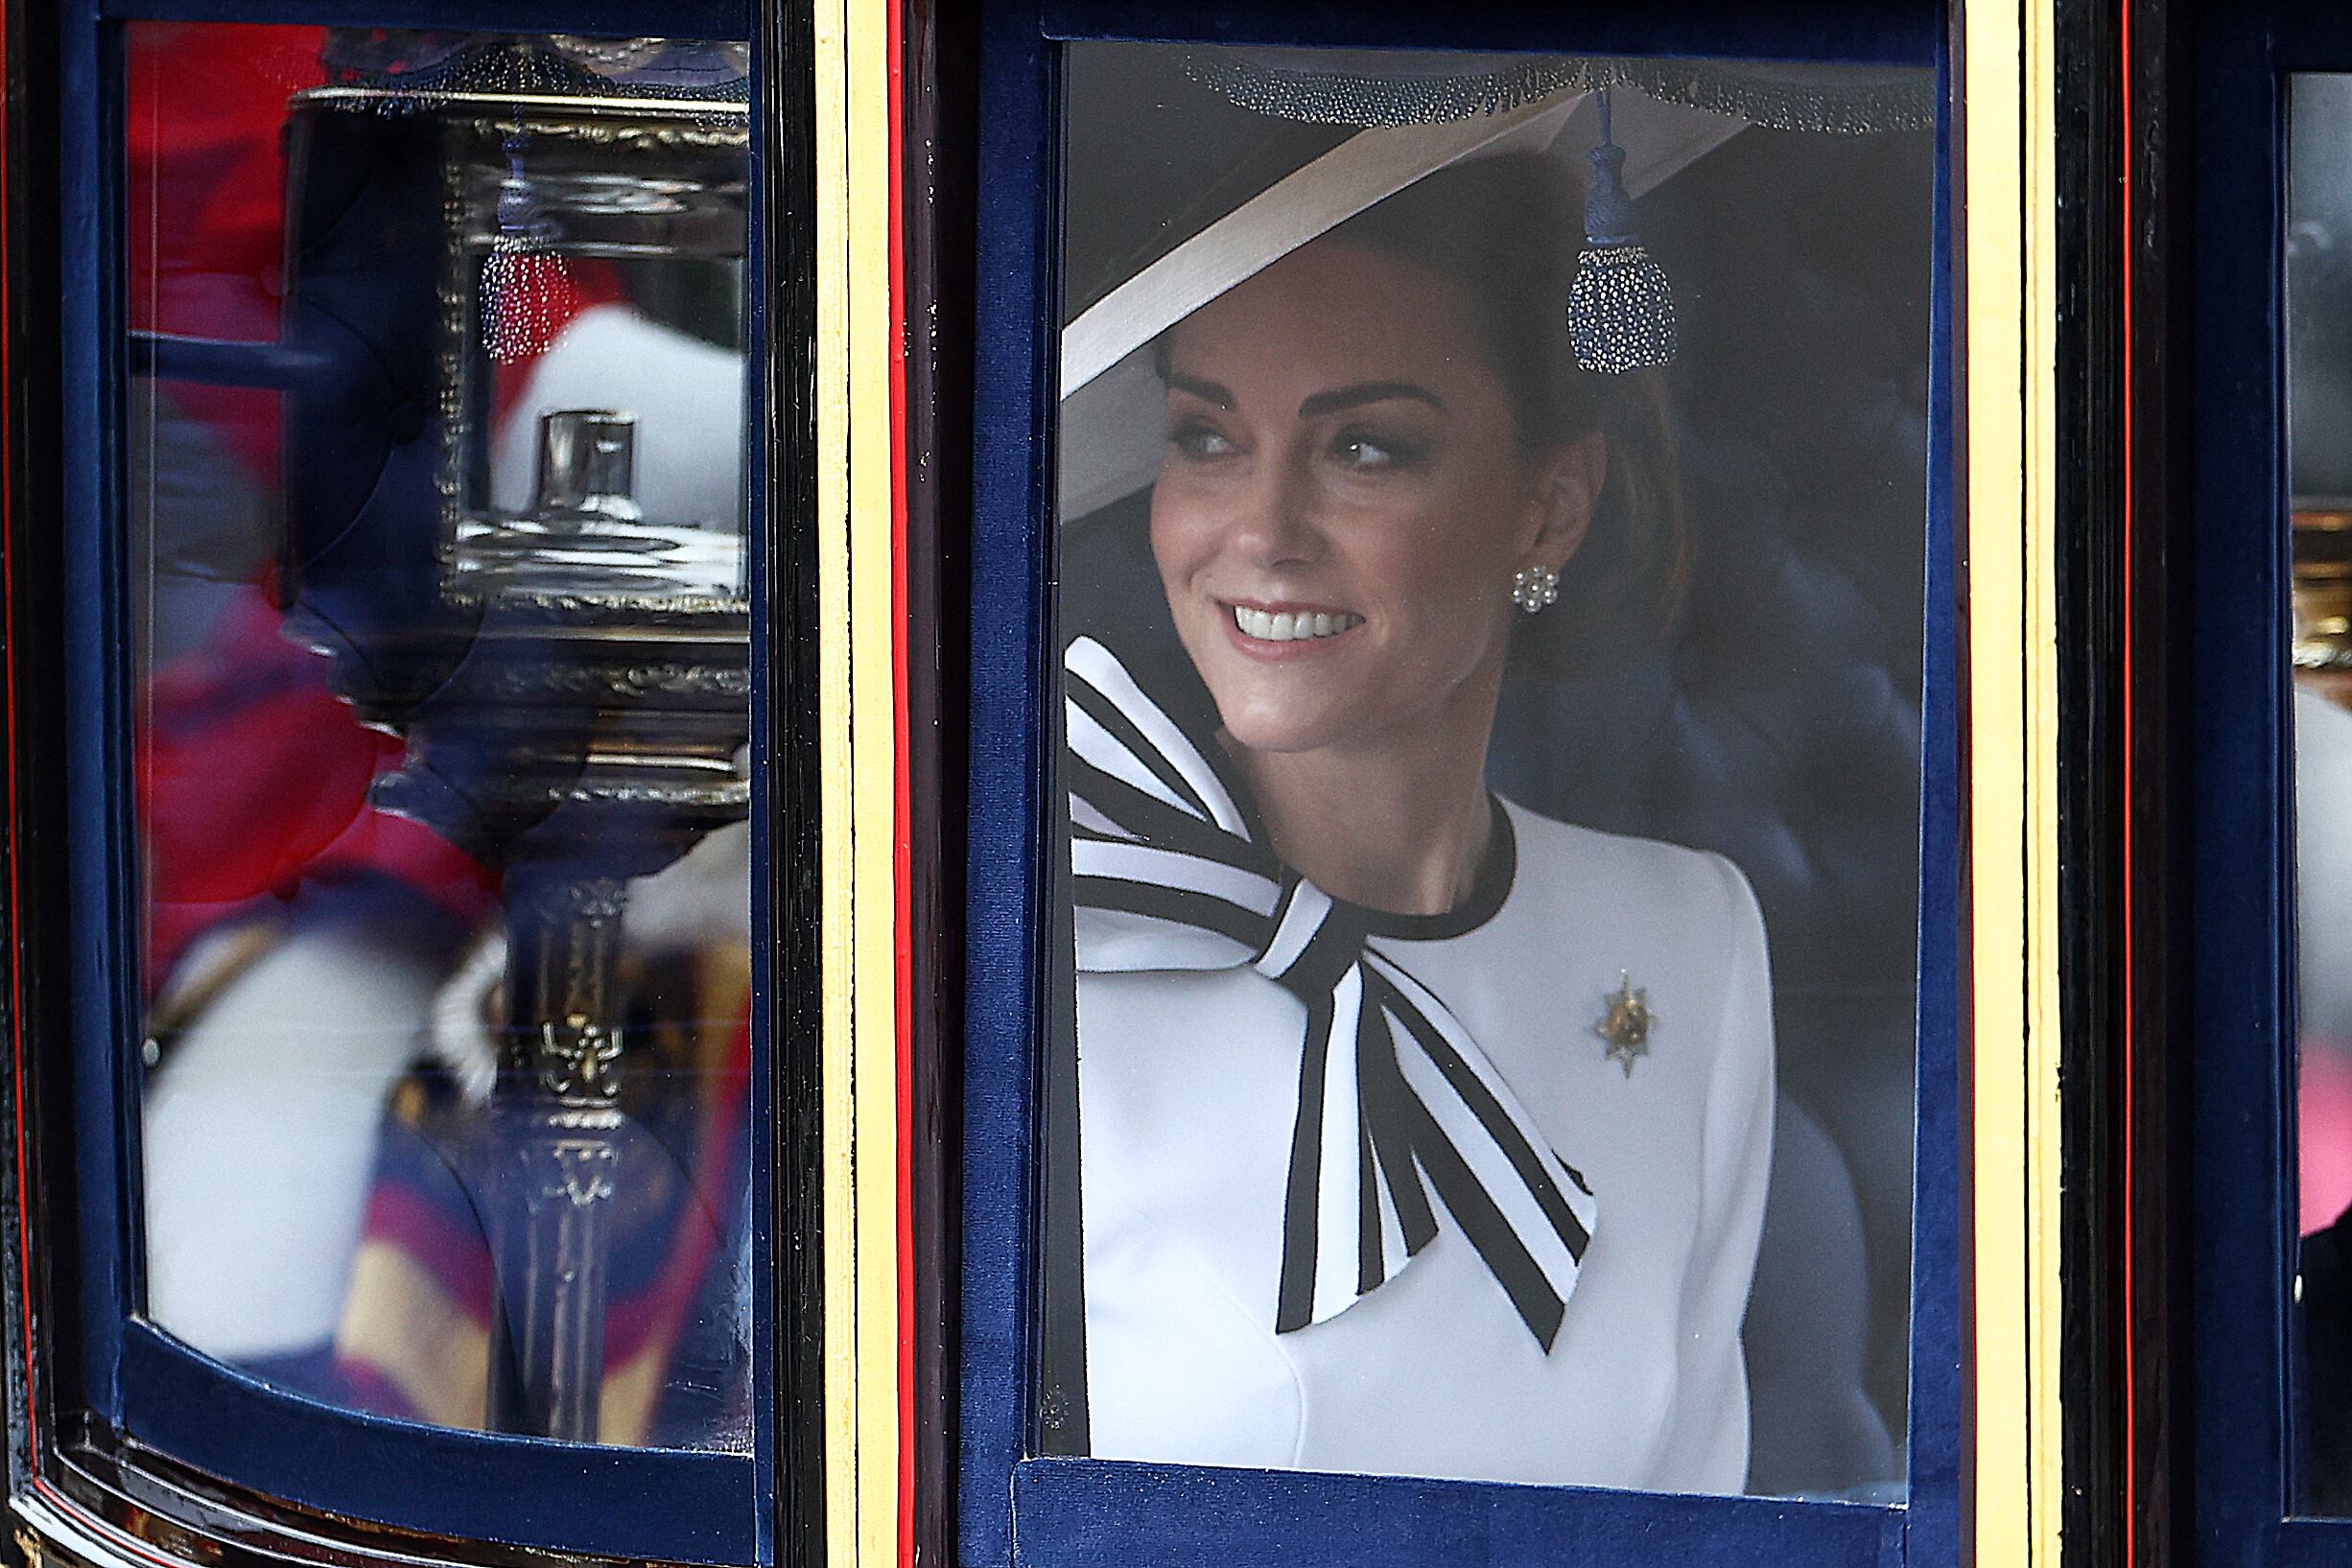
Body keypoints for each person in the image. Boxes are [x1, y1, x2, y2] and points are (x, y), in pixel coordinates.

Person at [1061, 149, 1776, 1494]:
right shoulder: (1053, 942)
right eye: (1209, 438)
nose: (1262, 532)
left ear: (1547, 509)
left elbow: (1694, 1499)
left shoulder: (1690, 940)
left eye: (1363, 449)